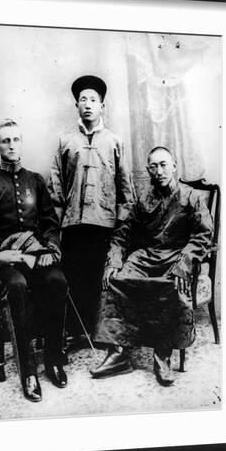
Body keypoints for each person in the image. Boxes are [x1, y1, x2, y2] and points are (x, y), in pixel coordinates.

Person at [91, 146, 213, 385]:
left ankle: (162, 354)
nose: (159, 171)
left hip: (177, 256)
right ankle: (118, 353)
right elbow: (122, 234)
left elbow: (203, 235)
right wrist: (113, 261)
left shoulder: (192, 196)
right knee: (115, 280)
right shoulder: (143, 199)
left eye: (164, 164)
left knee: (170, 286)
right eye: (154, 166)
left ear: (174, 166)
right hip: (147, 255)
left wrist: (184, 263)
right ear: (148, 170)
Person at [0, 118, 68, 402]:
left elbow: (49, 224)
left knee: (58, 281)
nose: (11, 145)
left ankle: (53, 359)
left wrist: (51, 251)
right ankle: (29, 372)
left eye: (16, 139)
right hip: (4, 264)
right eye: (5, 140)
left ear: (21, 142)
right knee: (17, 286)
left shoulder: (35, 181)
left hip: (35, 256)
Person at [49, 75, 135, 338]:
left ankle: (100, 333)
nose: (88, 104)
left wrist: (121, 221)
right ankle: (76, 333)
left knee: (100, 277)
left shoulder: (114, 141)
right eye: (83, 99)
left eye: (93, 100)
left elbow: (125, 188)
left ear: (102, 107)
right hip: (74, 224)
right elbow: (56, 185)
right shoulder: (65, 141)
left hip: (104, 223)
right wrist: (60, 222)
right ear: (77, 105)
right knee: (74, 277)